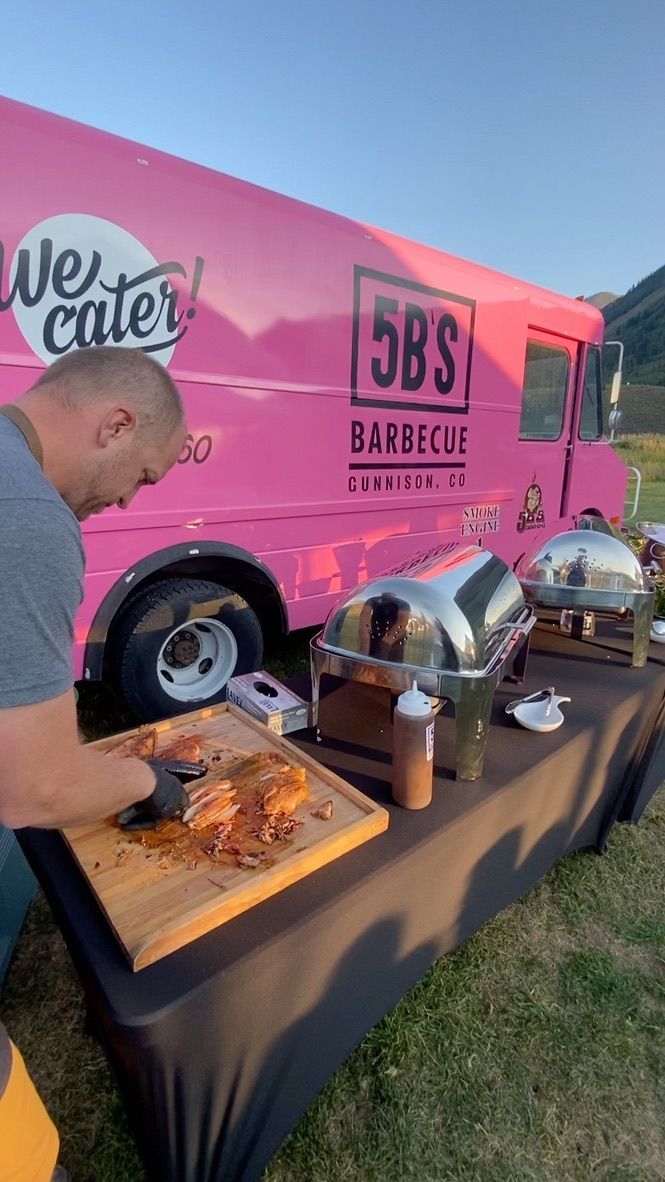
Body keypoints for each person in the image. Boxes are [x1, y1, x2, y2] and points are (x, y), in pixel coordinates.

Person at [0, 345, 194, 1181]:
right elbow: (35, 786)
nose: (123, 500)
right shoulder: (29, 515)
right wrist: (149, 779)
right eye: (141, 477)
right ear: (114, 425)